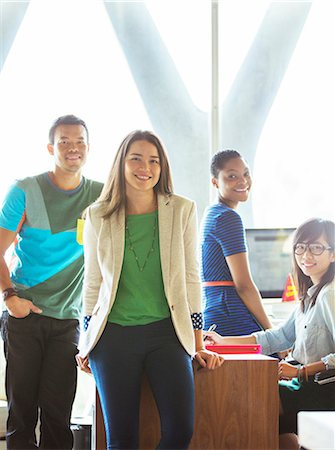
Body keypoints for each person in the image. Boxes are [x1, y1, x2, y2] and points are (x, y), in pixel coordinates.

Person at [76, 129, 223, 450]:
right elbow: (92, 285)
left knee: (180, 431)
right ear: (121, 164)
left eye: (154, 161)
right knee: (121, 440)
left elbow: (191, 279)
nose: (146, 167)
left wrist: (197, 343)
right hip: (112, 338)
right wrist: (85, 341)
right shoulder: (97, 215)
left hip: (167, 335)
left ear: (162, 166)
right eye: (136, 159)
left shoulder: (182, 210)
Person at [0, 115, 103, 450]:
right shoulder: (26, 190)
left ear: (88, 147)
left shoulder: (99, 196)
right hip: (24, 316)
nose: (73, 147)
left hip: (68, 321)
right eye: (64, 141)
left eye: (79, 141)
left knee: (58, 415)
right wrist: (10, 298)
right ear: (50, 147)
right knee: (22, 413)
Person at [203, 217, 335, 450]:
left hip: (324, 388)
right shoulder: (310, 296)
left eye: (316, 248)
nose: (306, 255)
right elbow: (276, 338)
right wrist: (223, 341)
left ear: (332, 254)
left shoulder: (329, 295)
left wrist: (301, 371)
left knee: (255, 406)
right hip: (306, 384)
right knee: (263, 414)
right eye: (300, 247)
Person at [200, 149, 272, 336]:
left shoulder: (212, 213)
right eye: (232, 176)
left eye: (246, 174)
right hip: (232, 317)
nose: (243, 181)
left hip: (216, 312)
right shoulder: (228, 217)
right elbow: (244, 285)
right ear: (215, 182)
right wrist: (272, 333)